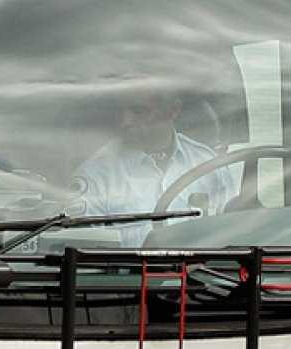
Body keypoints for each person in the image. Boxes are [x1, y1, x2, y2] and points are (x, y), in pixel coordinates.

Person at [66, 82, 236, 247]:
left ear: (173, 109)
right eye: (121, 111)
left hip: (202, 267)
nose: (125, 121)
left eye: (138, 111)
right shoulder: (95, 177)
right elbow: (84, 254)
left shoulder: (210, 168)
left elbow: (234, 236)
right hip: (128, 268)